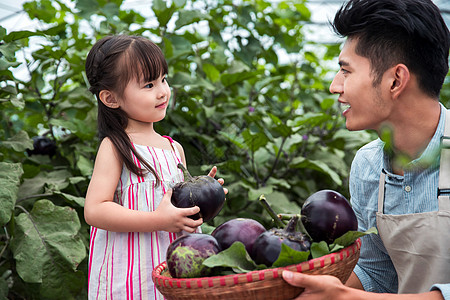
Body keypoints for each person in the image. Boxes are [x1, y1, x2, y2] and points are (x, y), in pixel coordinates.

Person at [283, 0, 450, 299]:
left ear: (395, 80)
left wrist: (347, 297)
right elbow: (376, 272)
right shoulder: (368, 166)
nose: (335, 86)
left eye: (346, 71)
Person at [84, 35, 225, 299]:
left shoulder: (174, 148)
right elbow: (95, 210)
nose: (162, 91)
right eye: (149, 84)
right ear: (110, 98)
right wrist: (158, 220)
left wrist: (204, 195)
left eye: (163, 79)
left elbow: (179, 210)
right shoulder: (116, 147)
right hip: (129, 273)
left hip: (173, 268)